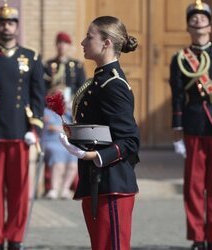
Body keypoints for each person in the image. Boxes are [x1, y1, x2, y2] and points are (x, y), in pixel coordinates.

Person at [59, 16, 140, 250]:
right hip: (97, 181)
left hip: (112, 182)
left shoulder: (113, 84)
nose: (83, 42)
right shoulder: (99, 80)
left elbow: (130, 141)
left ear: (106, 43)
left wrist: (92, 156)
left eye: (89, 37)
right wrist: (75, 134)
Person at [0, 3, 45, 250]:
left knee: (19, 191)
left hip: (19, 131)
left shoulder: (32, 57)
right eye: (2, 23)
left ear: (16, 26)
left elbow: (38, 96)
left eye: (11, 22)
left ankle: (15, 238)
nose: (7, 26)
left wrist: (34, 128)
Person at [169, 1, 212, 250]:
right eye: (194, 17)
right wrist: (177, 128)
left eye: (203, 17)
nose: (198, 20)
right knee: (193, 185)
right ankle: (198, 237)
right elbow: (177, 95)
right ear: (188, 26)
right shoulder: (180, 58)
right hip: (193, 123)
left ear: (210, 25)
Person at [43, 31, 86, 194]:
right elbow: (43, 88)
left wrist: (73, 103)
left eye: (65, 43)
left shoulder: (76, 65)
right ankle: (53, 187)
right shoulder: (48, 65)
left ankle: (66, 187)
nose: (62, 46)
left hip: (70, 108)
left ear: (69, 46)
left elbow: (82, 88)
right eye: (59, 43)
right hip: (53, 109)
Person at [41, 90, 78, 200]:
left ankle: (65, 189)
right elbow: (48, 126)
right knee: (58, 155)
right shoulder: (46, 112)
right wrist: (60, 128)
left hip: (64, 143)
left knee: (74, 158)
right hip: (50, 142)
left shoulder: (65, 113)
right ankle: (54, 189)